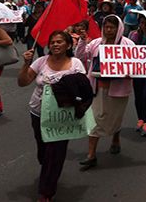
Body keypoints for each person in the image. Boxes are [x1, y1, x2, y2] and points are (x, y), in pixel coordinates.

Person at [18, 31, 88, 202]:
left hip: (62, 117)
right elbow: (22, 82)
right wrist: (25, 64)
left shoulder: (75, 64)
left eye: (59, 42)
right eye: (52, 42)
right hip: (38, 113)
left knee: (55, 153)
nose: (55, 45)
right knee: (43, 152)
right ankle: (48, 170)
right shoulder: (40, 62)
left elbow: (83, 88)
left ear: (68, 45)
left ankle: (46, 192)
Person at [75, 15, 134, 170]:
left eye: (112, 27)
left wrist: (129, 73)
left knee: (115, 118)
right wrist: (82, 41)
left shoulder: (128, 45)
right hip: (96, 88)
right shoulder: (95, 43)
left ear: (119, 28)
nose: (108, 30)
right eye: (106, 27)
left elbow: (136, 67)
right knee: (93, 121)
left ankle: (116, 138)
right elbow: (81, 57)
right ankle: (91, 155)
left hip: (117, 90)